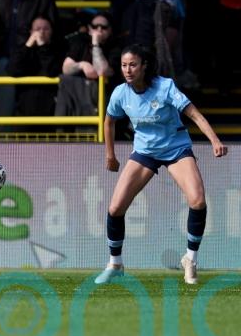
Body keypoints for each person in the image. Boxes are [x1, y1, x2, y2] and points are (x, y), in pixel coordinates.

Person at [95, 44, 228, 286]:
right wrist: (110, 155)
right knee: (115, 209)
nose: (128, 70)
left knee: (197, 200)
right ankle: (115, 264)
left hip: (176, 149)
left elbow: (194, 114)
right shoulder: (120, 94)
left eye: (133, 64)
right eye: (124, 65)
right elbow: (109, 121)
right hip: (145, 152)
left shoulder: (164, 87)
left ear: (144, 66)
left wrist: (215, 140)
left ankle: (190, 259)